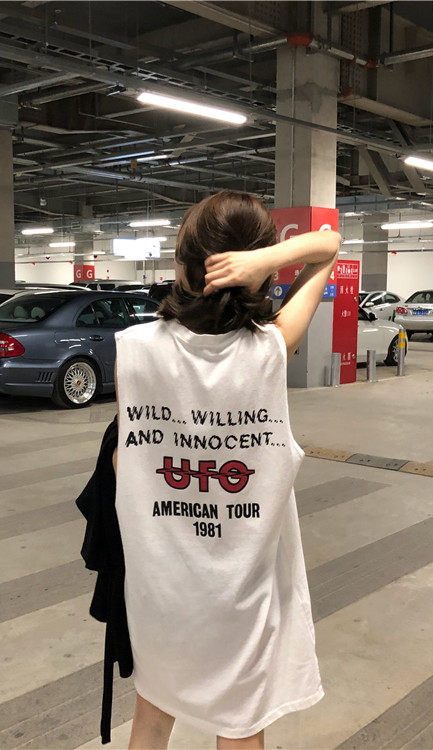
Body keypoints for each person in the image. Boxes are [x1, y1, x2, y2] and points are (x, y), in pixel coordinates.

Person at [112, 191, 341, 750]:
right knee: (239, 728)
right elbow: (328, 247)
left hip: (160, 589)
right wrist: (266, 261)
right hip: (241, 593)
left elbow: (126, 459)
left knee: (152, 716)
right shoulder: (271, 351)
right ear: (257, 274)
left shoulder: (132, 350)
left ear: (181, 266)